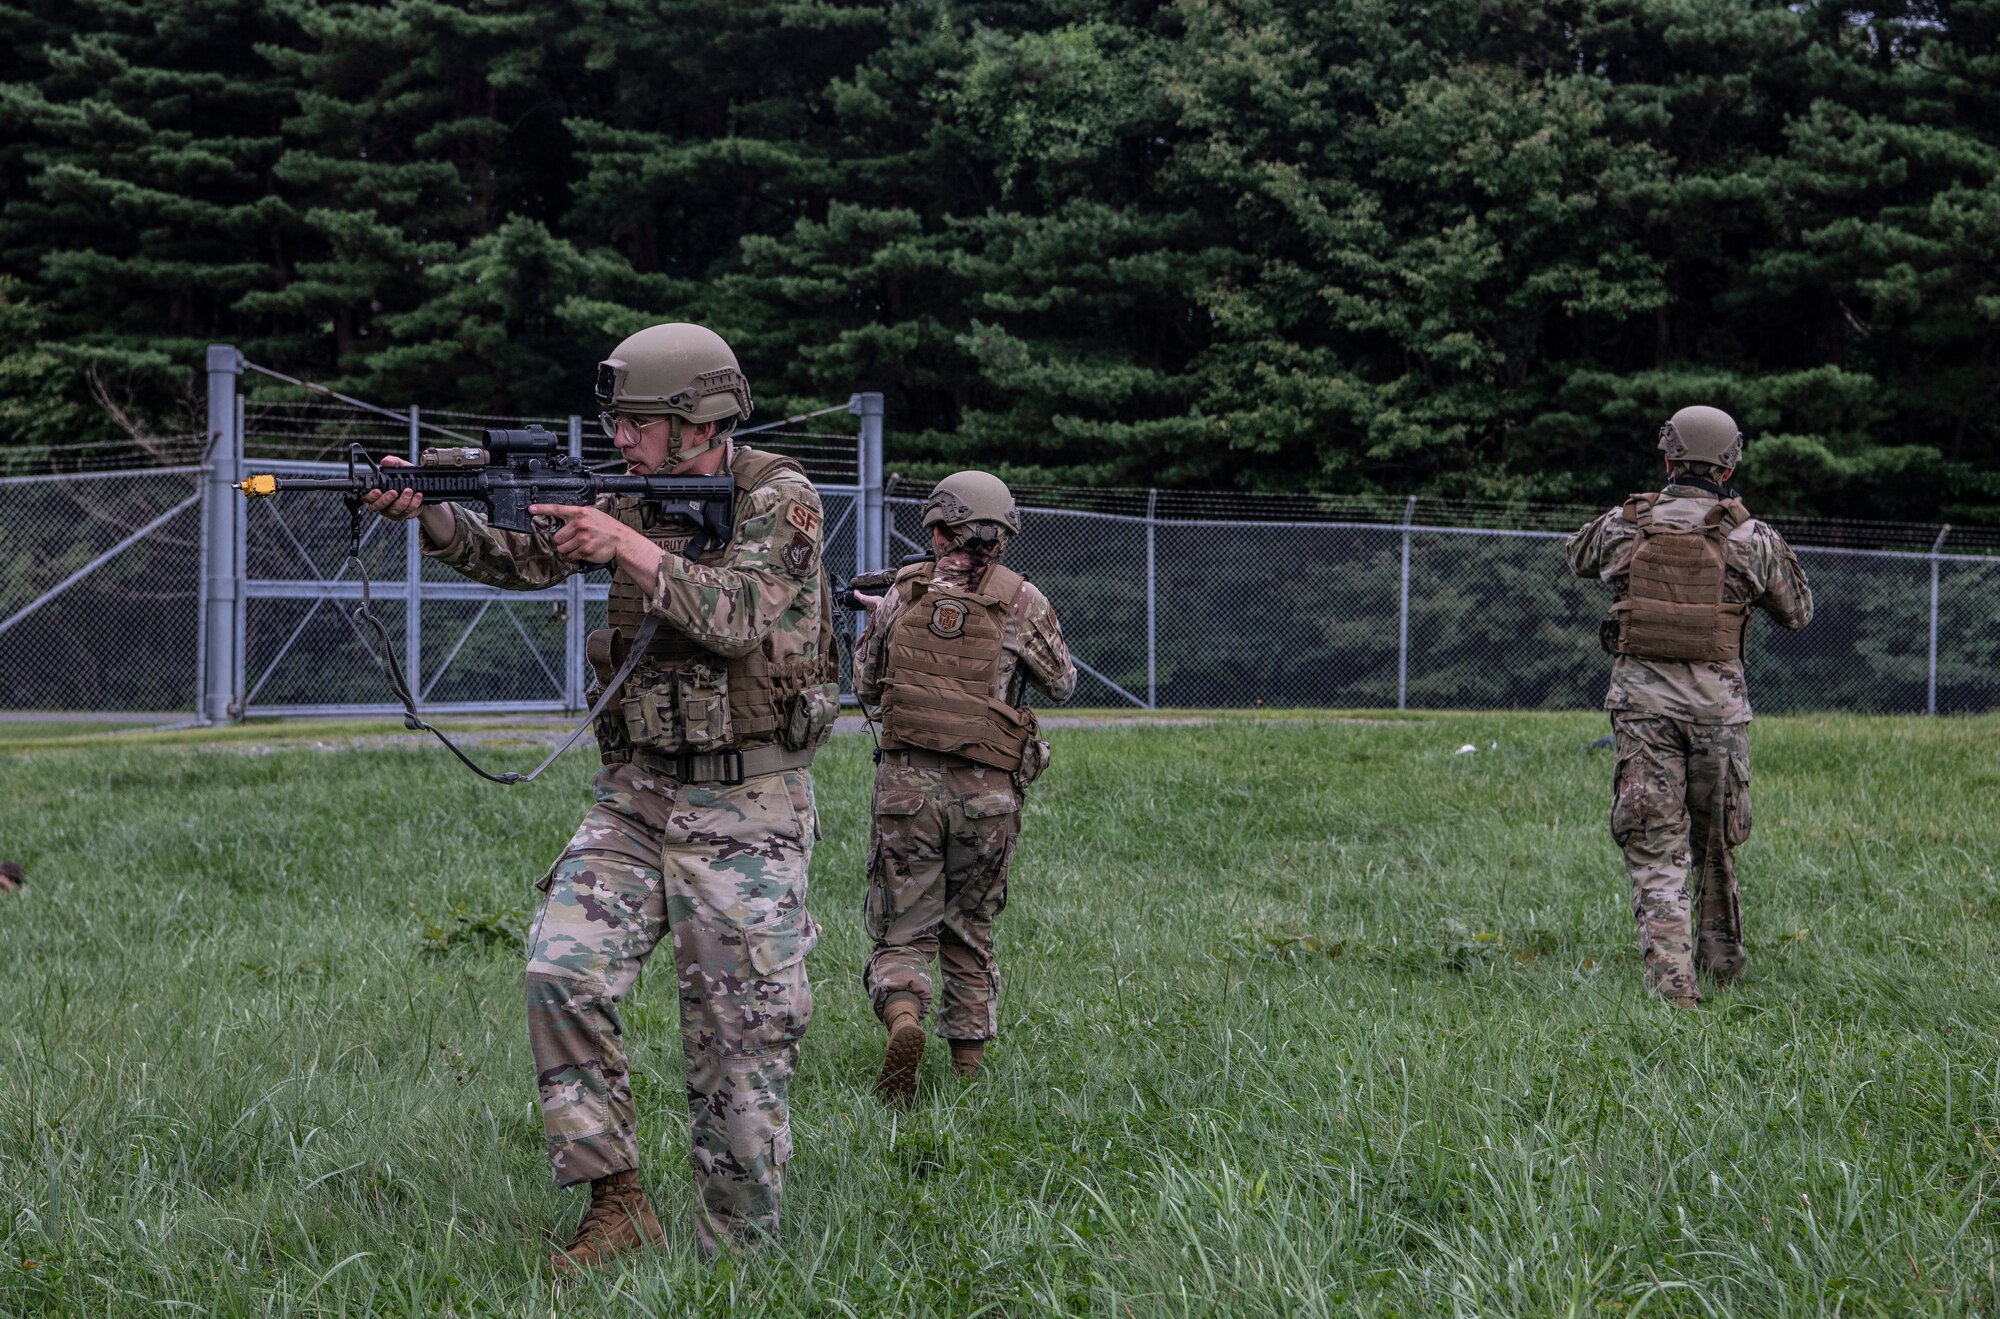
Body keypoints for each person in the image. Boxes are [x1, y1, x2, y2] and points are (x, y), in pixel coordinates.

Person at [363, 323, 839, 1268]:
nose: (618, 441)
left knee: (736, 1043)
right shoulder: (621, 491)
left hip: (747, 803)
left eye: (636, 423)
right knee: (561, 970)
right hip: (637, 790)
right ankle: (617, 1203)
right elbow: (523, 557)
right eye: (614, 423)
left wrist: (624, 542)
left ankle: (735, 1262)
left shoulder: (781, 499)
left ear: (695, 420)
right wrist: (431, 514)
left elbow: (743, 618)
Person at [1567, 405, 1814, 1007]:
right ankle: (1723, 966)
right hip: (1718, 715)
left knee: (1656, 847)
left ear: (1668, 457)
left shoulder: (1626, 525)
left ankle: (1674, 989)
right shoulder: (1751, 537)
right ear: (1728, 467)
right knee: (1713, 842)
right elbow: (1798, 613)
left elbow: (1577, 558)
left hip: (1643, 709)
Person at [849, 472, 1076, 1105]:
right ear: (1004, 536)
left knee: (903, 929)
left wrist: (884, 624)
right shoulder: (1023, 599)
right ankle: (968, 1073)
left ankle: (904, 1019)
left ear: (939, 529)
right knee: (970, 926)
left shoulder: (902, 593)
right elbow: (1061, 683)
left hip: (906, 793)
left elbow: (867, 685)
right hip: (988, 798)